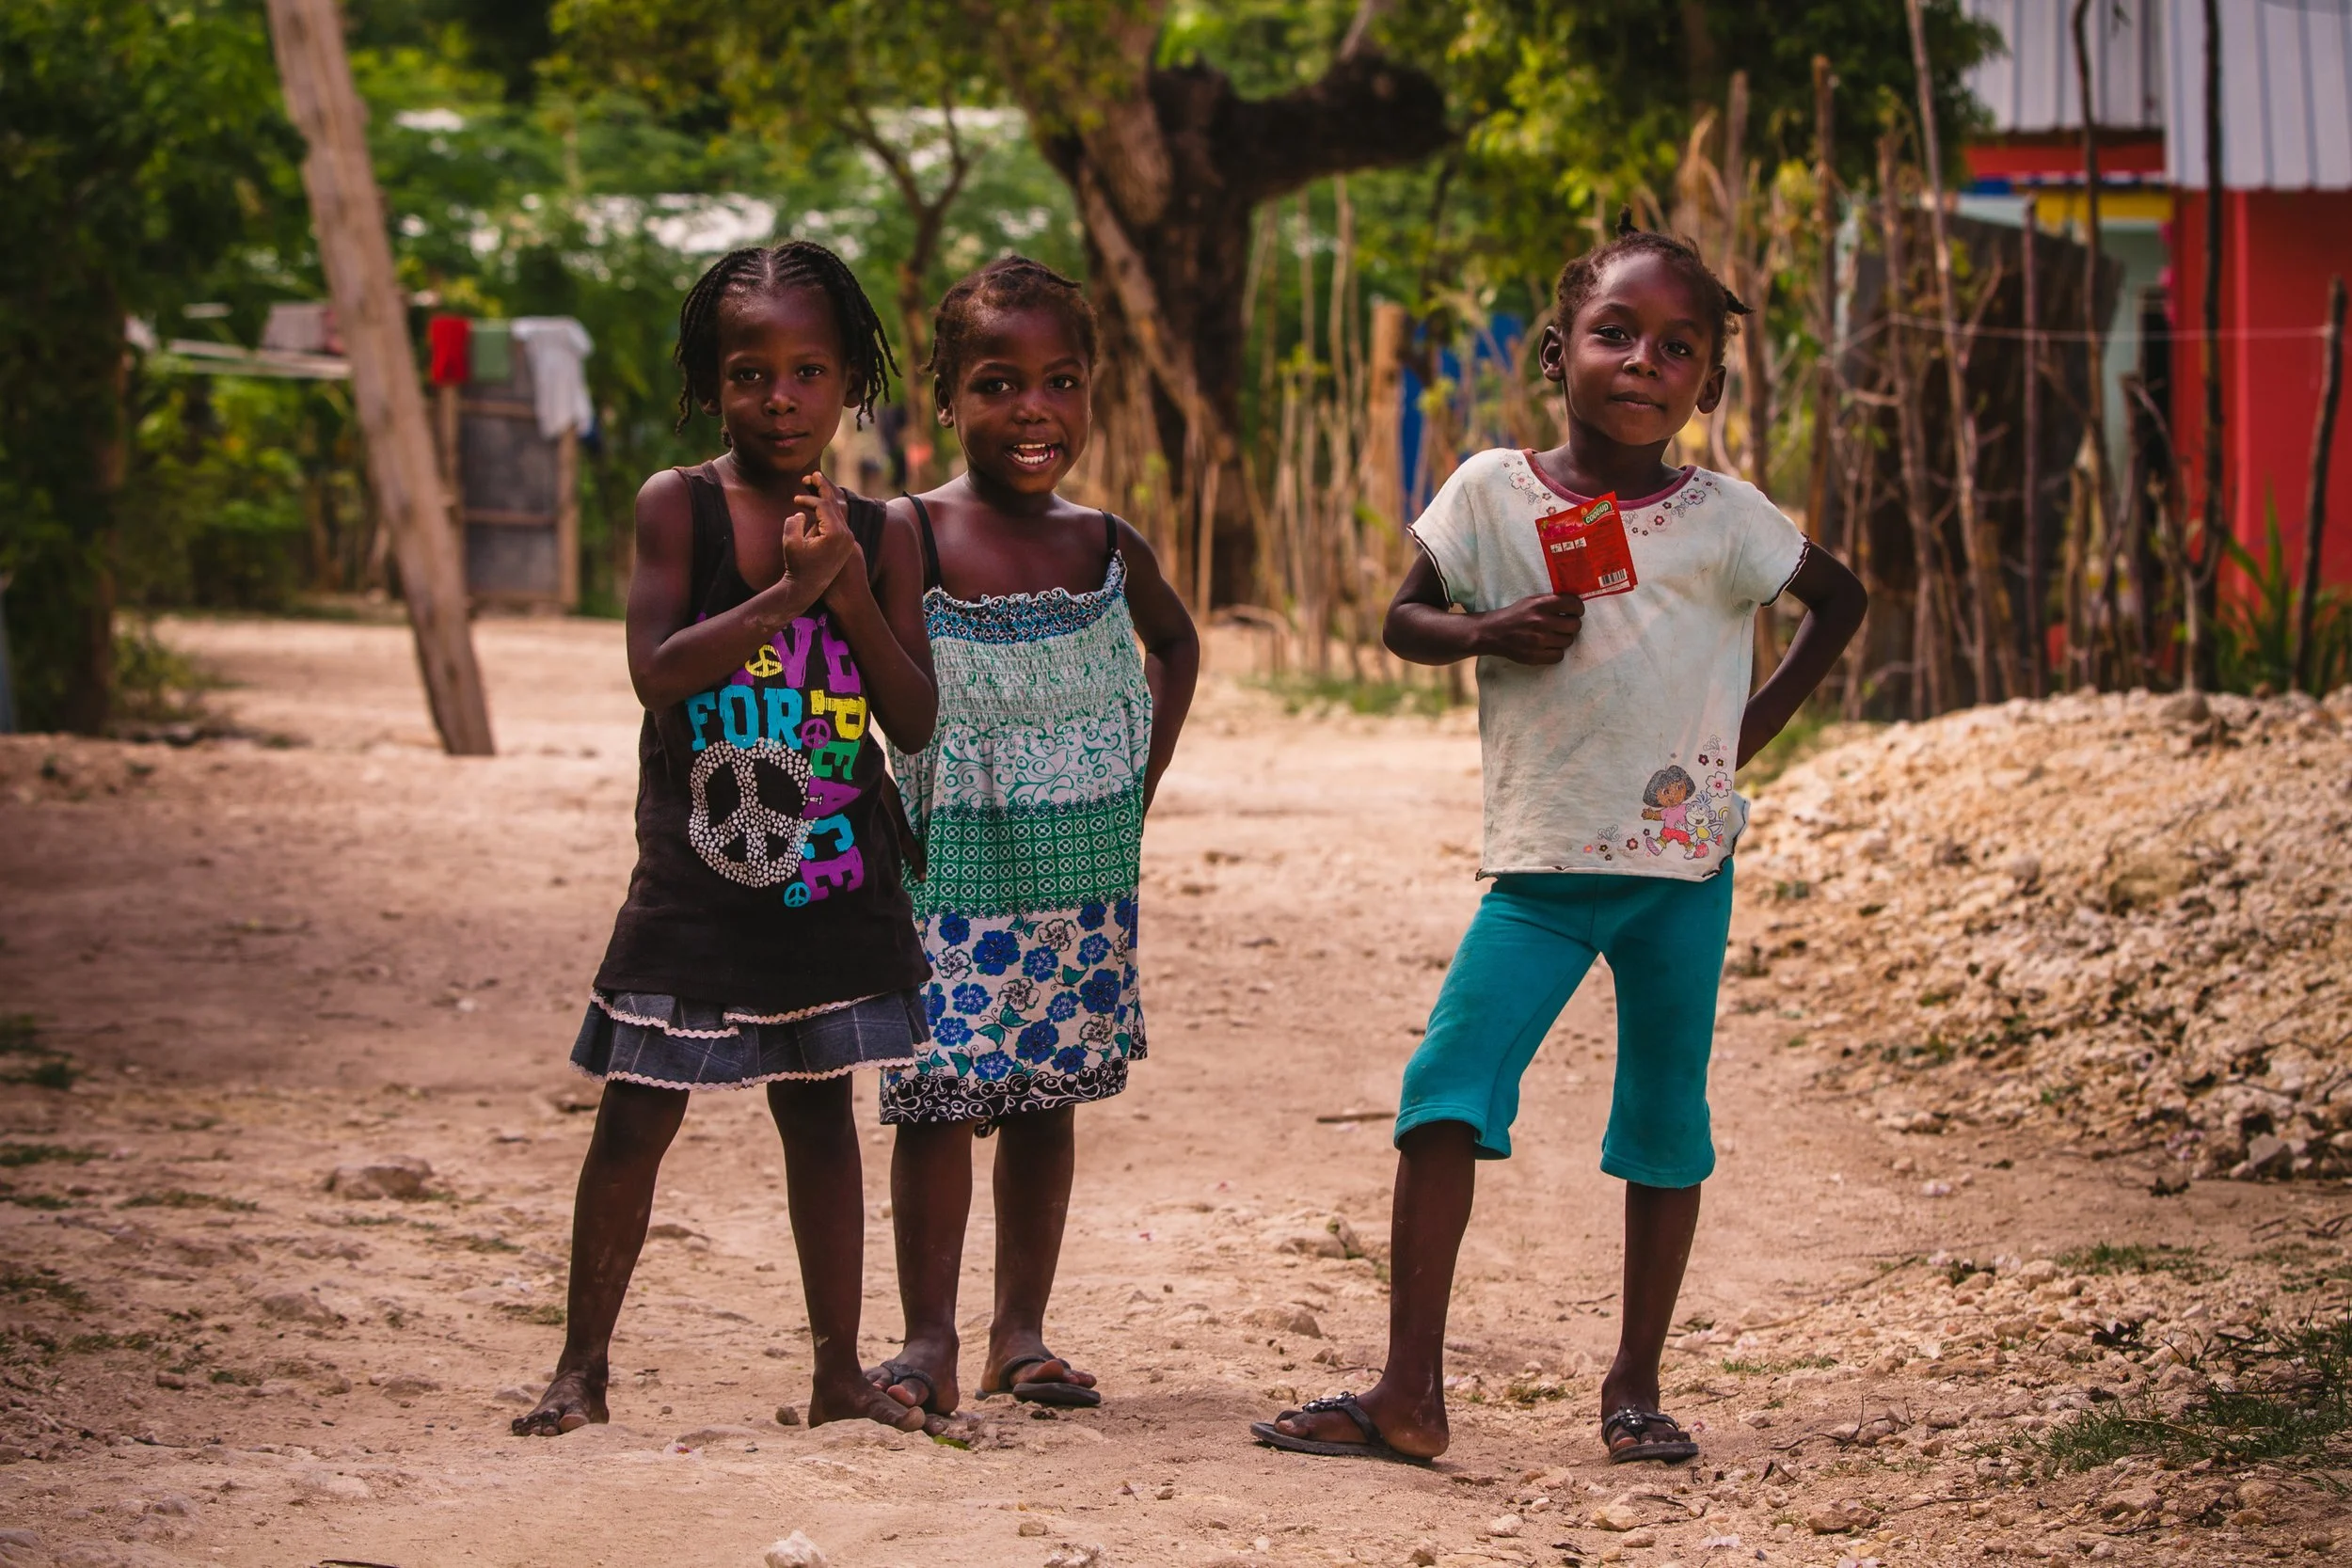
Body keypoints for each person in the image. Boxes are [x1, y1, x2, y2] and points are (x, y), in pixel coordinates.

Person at [1250, 219, 1867, 1466]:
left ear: (1708, 383)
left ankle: (1633, 1383)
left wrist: (1741, 735)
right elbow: (1403, 620)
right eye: (1617, 332)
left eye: (1678, 346)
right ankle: (1409, 1390)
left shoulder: (1725, 517)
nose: (1644, 361)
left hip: (1681, 876)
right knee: (1443, 1094)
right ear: (1558, 350)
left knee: (1662, 1120)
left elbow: (1838, 597)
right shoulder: (1492, 491)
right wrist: (1487, 630)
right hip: (1536, 872)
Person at [514, 241, 941, 1438]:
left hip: (829, 877)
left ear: (852, 380)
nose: (781, 397)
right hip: (696, 881)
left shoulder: (884, 530)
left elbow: (912, 716)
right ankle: (581, 1368)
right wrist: (786, 598)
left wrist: (847, 586)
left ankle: (836, 1374)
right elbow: (657, 673)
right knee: (638, 1110)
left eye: (810, 370)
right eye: (750, 371)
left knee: (819, 1117)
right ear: (711, 384)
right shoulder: (678, 503)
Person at [865, 257, 1199, 1418]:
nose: (1032, 410)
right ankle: (924, 1340)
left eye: (1060, 381)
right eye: (998, 383)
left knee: (1044, 1097)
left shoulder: (1104, 543)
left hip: (1078, 875)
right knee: (940, 1099)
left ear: (1092, 392)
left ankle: (1021, 1333)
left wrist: (1137, 776)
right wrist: (872, 796)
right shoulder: (909, 533)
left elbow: (1178, 643)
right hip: (946, 872)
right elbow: (844, 670)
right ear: (946, 398)